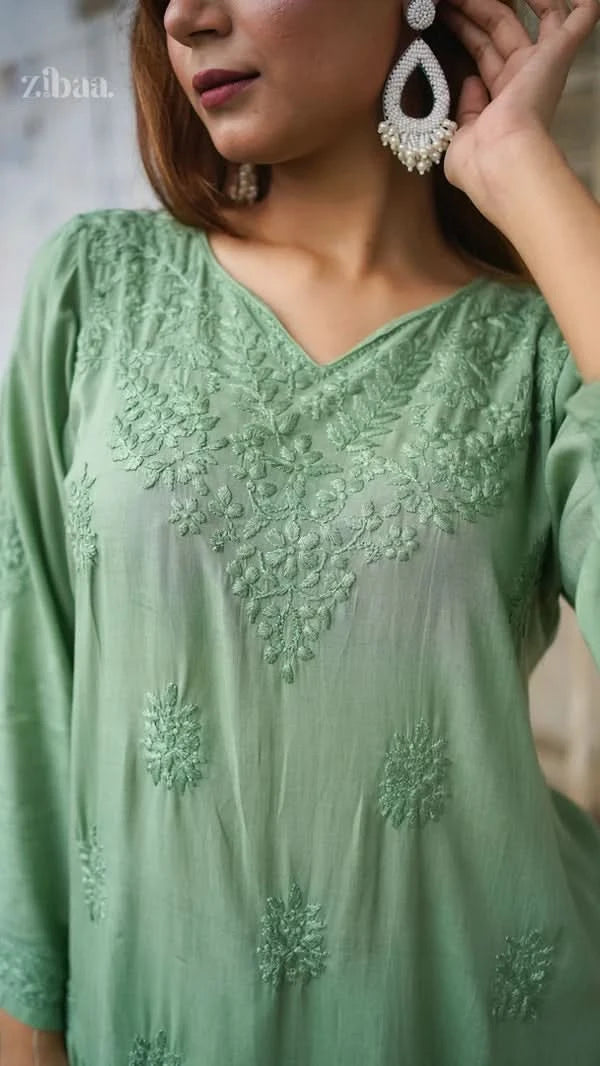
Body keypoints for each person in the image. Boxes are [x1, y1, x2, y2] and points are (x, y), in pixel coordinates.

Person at [1, 0, 600, 1062]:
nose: (186, 16)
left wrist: (525, 178)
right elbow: (28, 708)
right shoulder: (95, 292)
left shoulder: (542, 348)